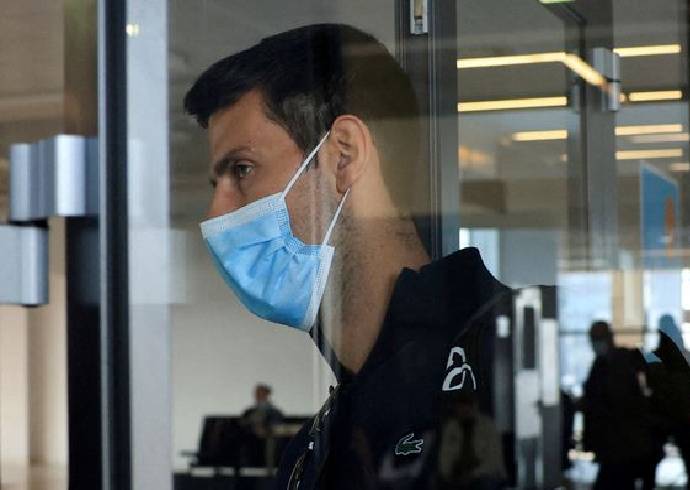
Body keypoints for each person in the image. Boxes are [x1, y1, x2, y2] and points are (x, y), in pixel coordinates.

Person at [184, 23, 511, 489]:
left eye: (242, 169)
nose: (216, 213)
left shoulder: (508, 365)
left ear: (343, 157)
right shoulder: (314, 450)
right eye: (216, 184)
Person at [582, 321, 663, 490]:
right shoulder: (603, 366)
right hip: (621, 445)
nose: (595, 344)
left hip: (627, 444)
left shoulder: (623, 362)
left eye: (597, 339)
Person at [645, 314, 690, 489]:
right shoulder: (684, 357)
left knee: (650, 464)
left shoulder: (653, 358)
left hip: (661, 416)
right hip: (681, 416)